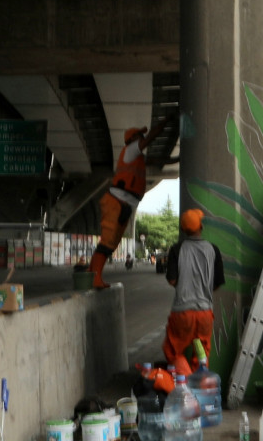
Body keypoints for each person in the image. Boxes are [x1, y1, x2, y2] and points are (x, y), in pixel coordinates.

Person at [90, 116, 172, 288]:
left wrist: (177, 160)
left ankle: (95, 276)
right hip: (116, 202)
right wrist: (164, 123)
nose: (142, 138)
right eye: (139, 135)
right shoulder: (131, 149)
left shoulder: (137, 157)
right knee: (107, 242)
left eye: (142, 135)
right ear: (132, 139)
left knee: (111, 244)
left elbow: (156, 161)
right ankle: (93, 277)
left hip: (123, 204)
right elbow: (150, 139)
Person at [163, 208, 224, 376]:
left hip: (182, 313)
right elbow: (217, 283)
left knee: (173, 351)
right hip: (205, 313)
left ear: (183, 229)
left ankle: (186, 383)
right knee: (201, 354)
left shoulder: (177, 250)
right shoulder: (213, 250)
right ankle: (199, 388)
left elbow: (172, 280)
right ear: (201, 227)